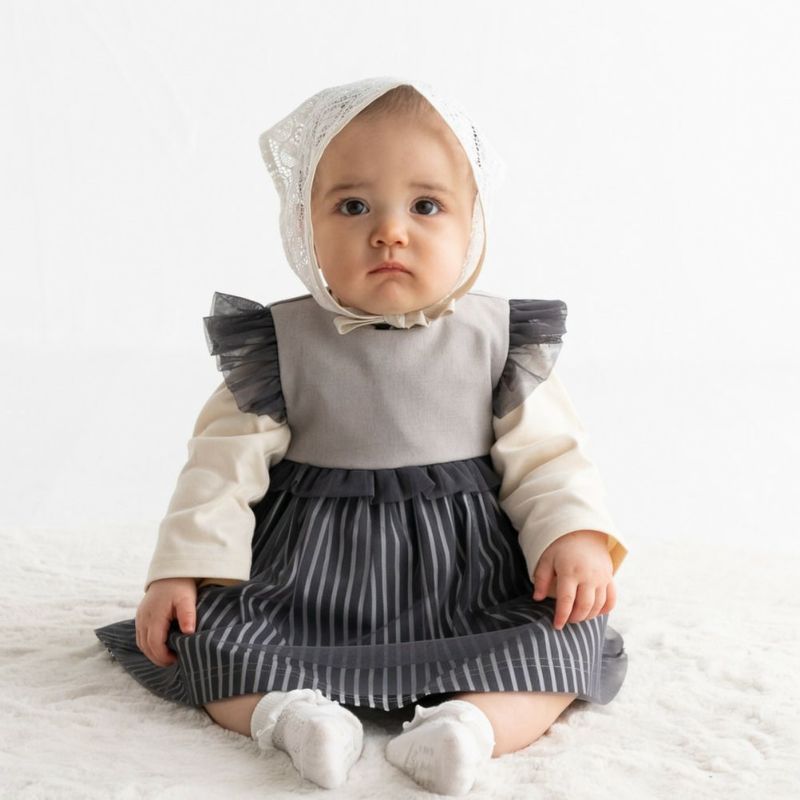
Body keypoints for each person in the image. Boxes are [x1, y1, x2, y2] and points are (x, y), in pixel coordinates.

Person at [94, 75, 629, 797]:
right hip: (305, 585)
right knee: (202, 640)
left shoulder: (499, 340)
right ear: (304, 224)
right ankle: (296, 719)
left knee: (567, 637)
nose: (390, 231)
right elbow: (219, 472)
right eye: (352, 206)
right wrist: (179, 572)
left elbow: (549, 458)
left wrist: (574, 536)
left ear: (472, 222)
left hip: (469, 584)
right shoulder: (279, 344)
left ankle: (466, 727)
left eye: (426, 206)